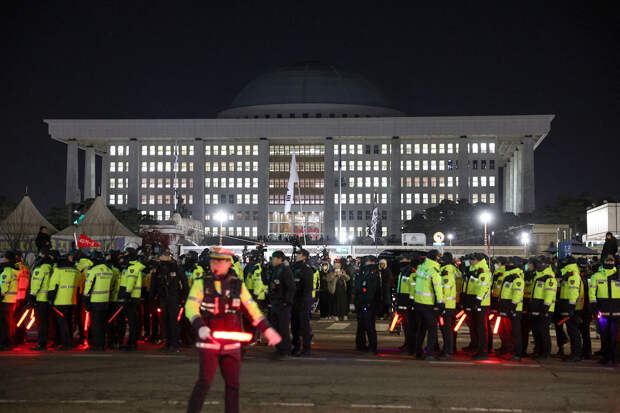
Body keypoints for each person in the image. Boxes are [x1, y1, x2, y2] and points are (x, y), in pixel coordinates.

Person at [185, 248, 281, 413]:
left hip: (231, 345)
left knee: (233, 386)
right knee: (204, 383)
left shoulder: (238, 285)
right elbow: (190, 307)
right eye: (213, 260)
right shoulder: (201, 283)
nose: (215, 264)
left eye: (220, 261)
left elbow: (253, 310)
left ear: (229, 263)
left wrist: (267, 330)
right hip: (209, 344)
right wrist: (200, 326)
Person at [151, 250, 188, 352]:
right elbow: (154, 284)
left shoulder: (175, 267)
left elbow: (184, 282)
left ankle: (175, 344)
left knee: (173, 321)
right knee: (164, 321)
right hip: (163, 298)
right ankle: (167, 343)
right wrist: (152, 297)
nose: (161, 258)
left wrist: (185, 296)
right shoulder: (158, 268)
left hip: (174, 297)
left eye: (163, 256)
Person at [589, 254, 620, 365]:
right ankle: (606, 357)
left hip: (617, 311)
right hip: (602, 310)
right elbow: (592, 292)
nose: (610, 262)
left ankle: (614, 358)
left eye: (612, 261)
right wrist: (593, 303)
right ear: (604, 261)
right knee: (604, 336)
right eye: (608, 260)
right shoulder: (596, 276)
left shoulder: (618, 275)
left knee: (615, 336)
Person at [414, 250, 444, 360]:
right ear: (435, 258)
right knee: (432, 329)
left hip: (418, 302)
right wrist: (440, 302)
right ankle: (429, 354)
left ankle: (418, 352)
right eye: (438, 256)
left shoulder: (421, 267)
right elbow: (438, 287)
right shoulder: (434, 270)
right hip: (428, 304)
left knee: (422, 329)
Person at [264, 251, 295, 358]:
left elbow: (290, 287)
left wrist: (287, 302)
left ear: (279, 259)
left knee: (283, 328)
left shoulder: (285, 270)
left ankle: (285, 349)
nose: (272, 261)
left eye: (273, 258)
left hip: (282, 303)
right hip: (275, 302)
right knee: (275, 326)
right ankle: (279, 348)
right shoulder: (275, 270)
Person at [48, 254, 80, 350]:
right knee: (70, 323)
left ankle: (65, 344)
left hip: (60, 301)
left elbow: (53, 286)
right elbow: (79, 287)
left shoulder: (58, 271)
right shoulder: (76, 271)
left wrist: (51, 300)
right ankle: (69, 342)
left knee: (62, 325)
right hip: (72, 301)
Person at [83, 251, 113, 351]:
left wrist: (85, 300)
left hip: (95, 301)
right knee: (103, 324)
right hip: (105, 301)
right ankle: (102, 344)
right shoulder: (109, 270)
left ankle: (96, 345)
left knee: (96, 325)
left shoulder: (93, 270)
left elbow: (88, 286)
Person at [528, 256, 557, 361]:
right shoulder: (537, 276)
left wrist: (545, 307)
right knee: (536, 331)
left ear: (546, 264)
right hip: (536, 307)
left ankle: (546, 352)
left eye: (540, 263)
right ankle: (538, 350)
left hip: (545, 309)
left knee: (543, 332)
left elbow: (549, 294)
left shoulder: (549, 278)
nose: (538, 265)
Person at [497, 257, 525, 361]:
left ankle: (517, 354)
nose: (508, 265)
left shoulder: (517, 278)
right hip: (507, 308)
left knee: (516, 333)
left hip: (514, 309)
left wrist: (512, 307)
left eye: (511, 263)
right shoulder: (508, 276)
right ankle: (511, 351)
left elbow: (517, 294)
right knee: (509, 331)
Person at [557, 256, 584, 362]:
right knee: (571, 331)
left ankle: (576, 354)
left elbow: (573, 292)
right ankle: (575, 353)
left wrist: (571, 307)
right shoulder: (568, 274)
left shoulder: (572, 274)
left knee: (573, 332)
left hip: (571, 307)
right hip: (568, 305)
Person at [119, 248, 146, 351]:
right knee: (132, 321)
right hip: (132, 297)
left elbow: (130, 282)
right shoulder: (131, 266)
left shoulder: (132, 267)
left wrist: (127, 294)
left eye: (125, 253)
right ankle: (131, 342)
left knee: (132, 322)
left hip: (131, 298)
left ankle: (131, 343)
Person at [354, 256, 381, 354]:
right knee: (361, 325)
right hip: (362, 302)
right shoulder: (363, 272)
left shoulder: (373, 273)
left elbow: (371, 290)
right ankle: (361, 344)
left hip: (368, 303)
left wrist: (368, 302)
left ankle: (372, 347)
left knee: (369, 326)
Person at [28, 249, 54, 350]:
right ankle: (45, 342)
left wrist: (32, 296)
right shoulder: (51, 268)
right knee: (46, 323)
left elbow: (36, 283)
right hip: (48, 300)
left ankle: (41, 344)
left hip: (40, 300)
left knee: (41, 323)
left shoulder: (40, 268)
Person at [468, 253, 492, 361]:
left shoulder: (483, 272)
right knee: (478, 328)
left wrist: (478, 300)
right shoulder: (475, 270)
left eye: (472, 260)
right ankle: (479, 349)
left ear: (478, 260)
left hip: (481, 304)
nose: (471, 262)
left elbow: (483, 288)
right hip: (477, 303)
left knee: (482, 329)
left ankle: (483, 352)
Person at [291, 249, 314, 357]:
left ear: (304, 256)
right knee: (295, 325)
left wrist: (304, 301)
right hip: (295, 299)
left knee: (304, 325)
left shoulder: (306, 268)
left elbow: (308, 287)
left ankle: (306, 348)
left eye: (298, 255)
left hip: (303, 300)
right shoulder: (295, 267)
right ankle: (296, 346)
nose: (296, 256)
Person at [439, 252, 459, 360]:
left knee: (446, 329)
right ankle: (449, 349)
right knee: (448, 329)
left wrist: (441, 302)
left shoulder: (447, 272)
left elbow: (446, 289)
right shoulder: (453, 270)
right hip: (451, 304)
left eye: (442, 259)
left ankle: (448, 351)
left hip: (447, 305)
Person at [0, 251, 19, 350]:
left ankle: (5, 343)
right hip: (12, 300)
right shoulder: (15, 270)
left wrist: (1, 295)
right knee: (9, 322)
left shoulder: (7, 270)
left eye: (3, 257)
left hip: (5, 301)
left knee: (4, 324)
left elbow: (4, 285)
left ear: (7, 259)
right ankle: (10, 342)